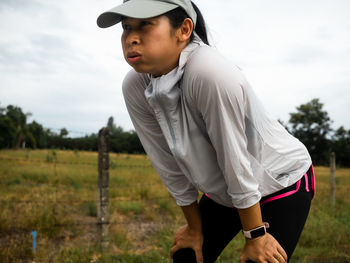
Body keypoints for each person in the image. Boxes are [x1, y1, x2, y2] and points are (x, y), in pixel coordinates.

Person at [97, 1, 315, 262]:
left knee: (261, 260)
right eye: (126, 27)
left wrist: (255, 235)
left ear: (184, 29)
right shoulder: (135, 85)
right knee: (188, 256)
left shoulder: (209, 73)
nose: (131, 38)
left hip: (281, 181)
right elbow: (167, 163)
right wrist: (194, 228)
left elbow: (235, 159)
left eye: (145, 24)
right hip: (226, 189)